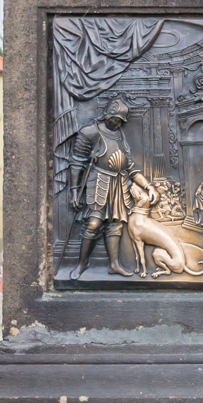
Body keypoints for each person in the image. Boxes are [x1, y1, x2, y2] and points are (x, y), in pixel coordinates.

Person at [68, 98, 136, 277]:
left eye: (122, 122)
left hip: (118, 184)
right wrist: (74, 191)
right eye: (117, 120)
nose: (119, 124)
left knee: (115, 223)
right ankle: (82, 264)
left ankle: (114, 264)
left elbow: (128, 162)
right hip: (98, 180)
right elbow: (77, 162)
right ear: (109, 116)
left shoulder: (120, 134)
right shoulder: (90, 132)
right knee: (93, 223)